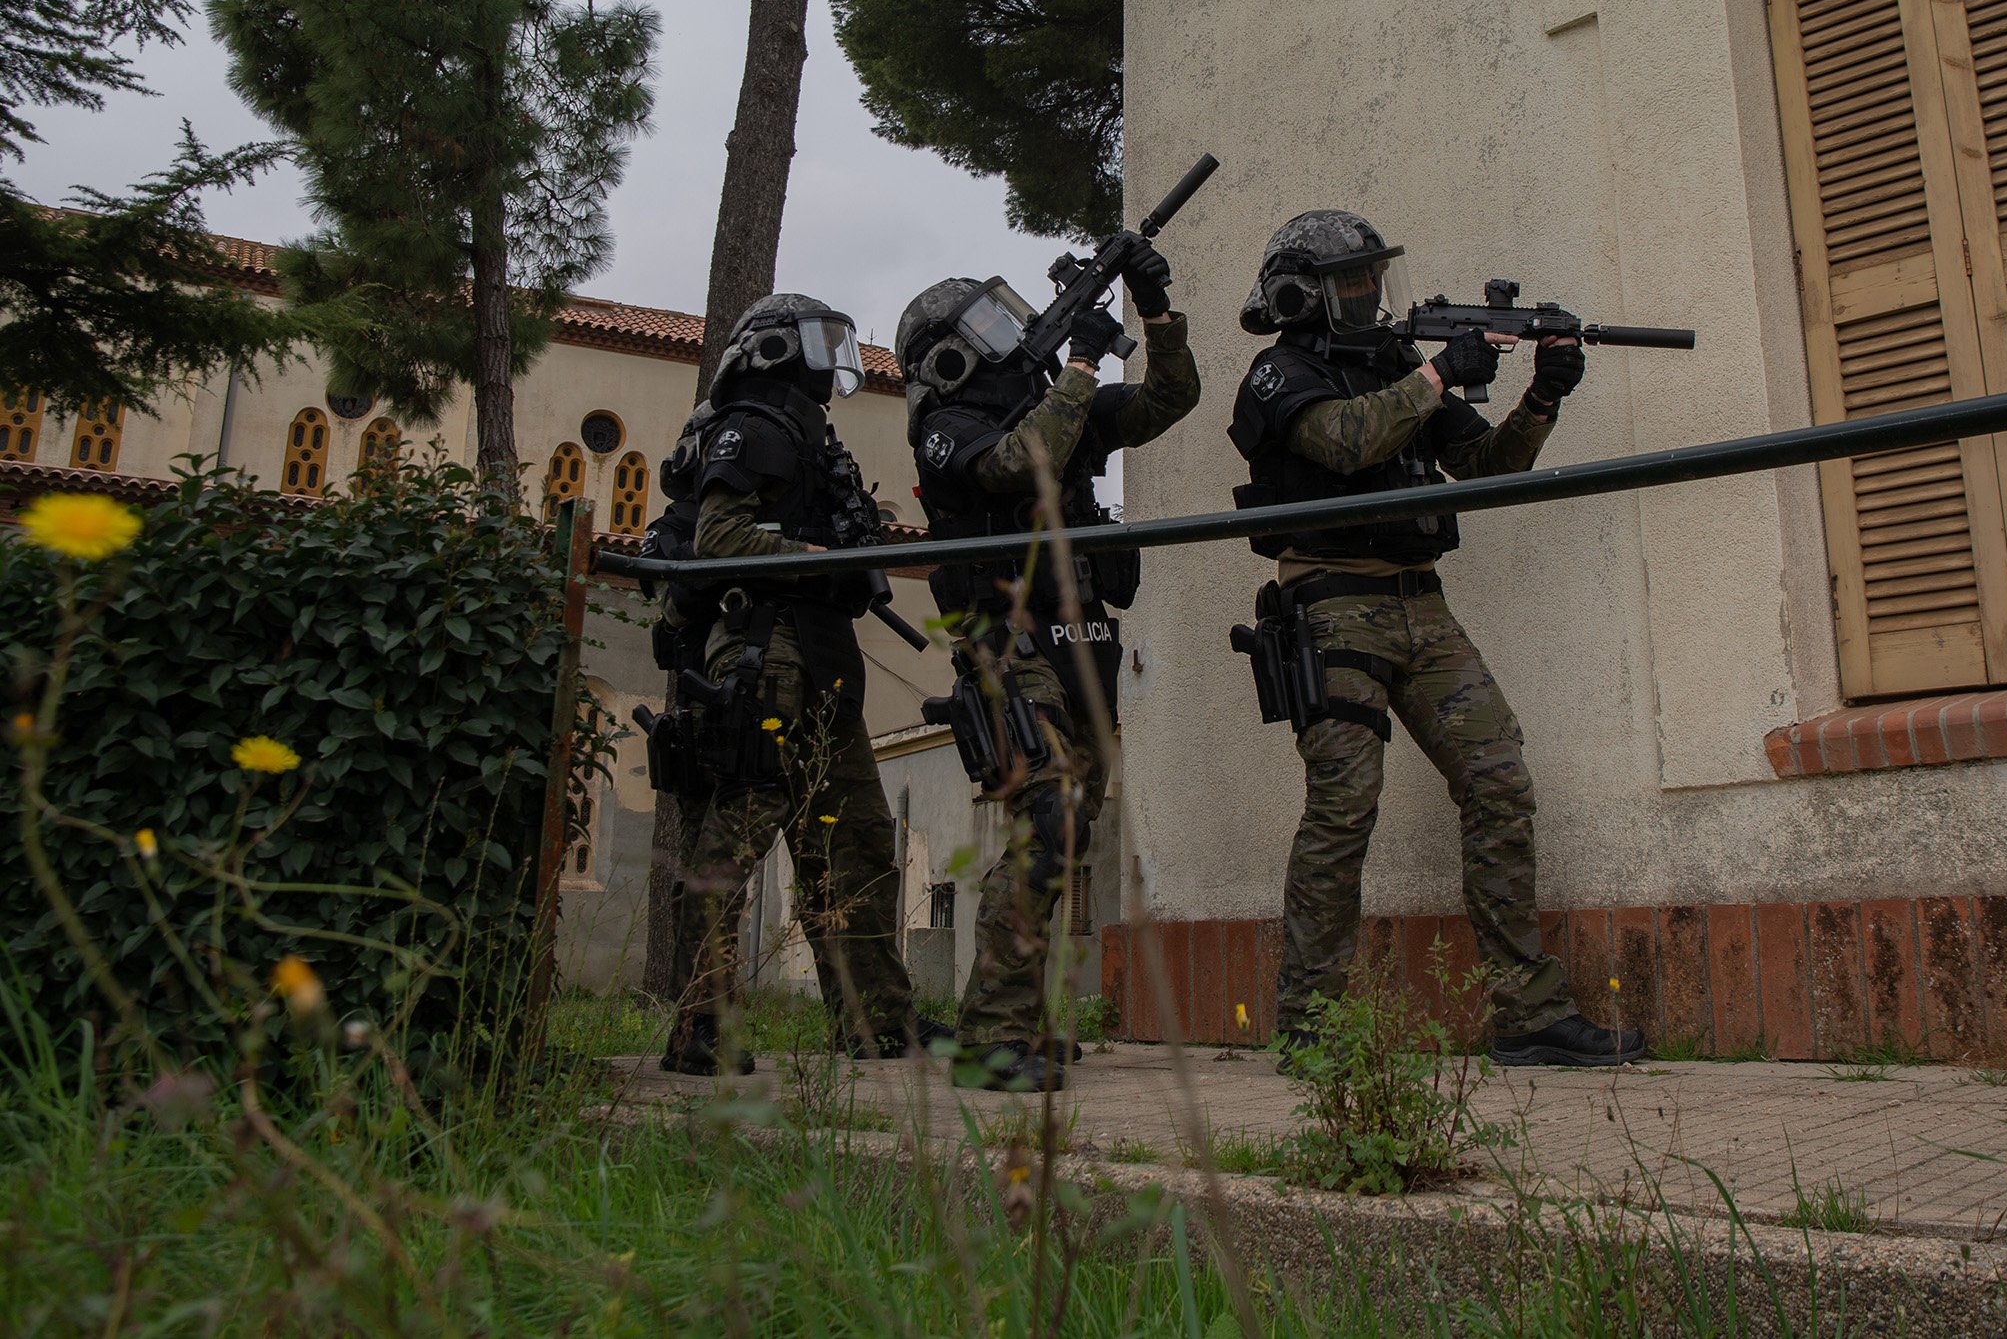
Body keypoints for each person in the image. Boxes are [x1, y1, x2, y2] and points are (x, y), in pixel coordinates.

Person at [1226, 211, 1647, 1068]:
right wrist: (1436, 373)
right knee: (1345, 807)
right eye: (1349, 280)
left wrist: (1541, 396)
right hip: (1331, 603)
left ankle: (1528, 1015)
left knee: (1499, 782)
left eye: (1373, 277)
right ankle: (1313, 1026)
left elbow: (1490, 466)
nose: (1368, 294)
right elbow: (1344, 444)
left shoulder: (1392, 364)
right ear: (1301, 292)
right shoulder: (1280, 373)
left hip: (1423, 604)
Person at [900, 248, 1198, 1091]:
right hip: (1006, 638)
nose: (1008, 333)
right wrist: (1076, 366)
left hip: (1082, 638)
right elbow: (1013, 464)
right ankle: (991, 1035)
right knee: (1051, 812)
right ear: (945, 354)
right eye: (985, 327)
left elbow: (1172, 399)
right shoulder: (948, 425)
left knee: (1072, 829)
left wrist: (1156, 308)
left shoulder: (1051, 405)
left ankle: (1017, 1017)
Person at [648, 293, 950, 1075]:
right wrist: (821, 554)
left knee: (855, 844)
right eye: (817, 342)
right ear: (776, 350)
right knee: (736, 837)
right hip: (764, 653)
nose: (830, 358)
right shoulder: (755, 427)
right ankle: (701, 1030)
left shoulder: (809, 438)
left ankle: (878, 1022)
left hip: (820, 657)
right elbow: (718, 537)